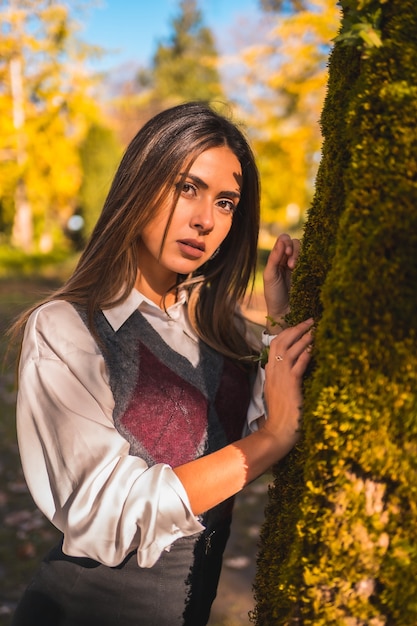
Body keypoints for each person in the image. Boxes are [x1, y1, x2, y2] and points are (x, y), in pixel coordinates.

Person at [11, 101, 313, 626]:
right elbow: (110, 509)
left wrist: (281, 315)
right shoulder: (67, 328)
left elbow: (272, 416)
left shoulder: (223, 331)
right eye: (187, 187)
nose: (204, 219)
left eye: (225, 202)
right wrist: (270, 441)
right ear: (141, 183)